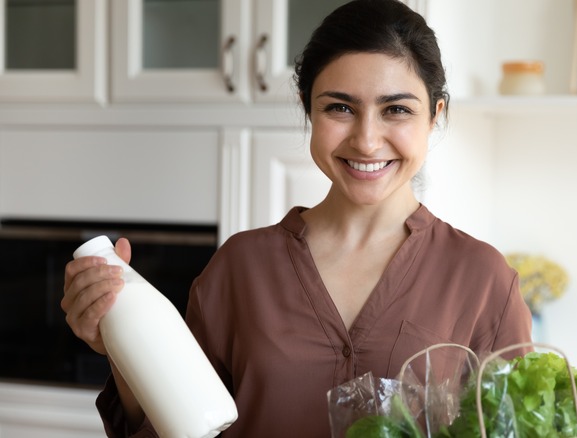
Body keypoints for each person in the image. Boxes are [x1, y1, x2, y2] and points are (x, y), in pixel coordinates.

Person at [61, 0, 532, 436]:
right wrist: (122, 343)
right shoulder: (241, 267)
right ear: (310, 110)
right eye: (340, 108)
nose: (367, 141)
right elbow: (175, 426)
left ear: (435, 115)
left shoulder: (483, 280)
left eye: (396, 110)